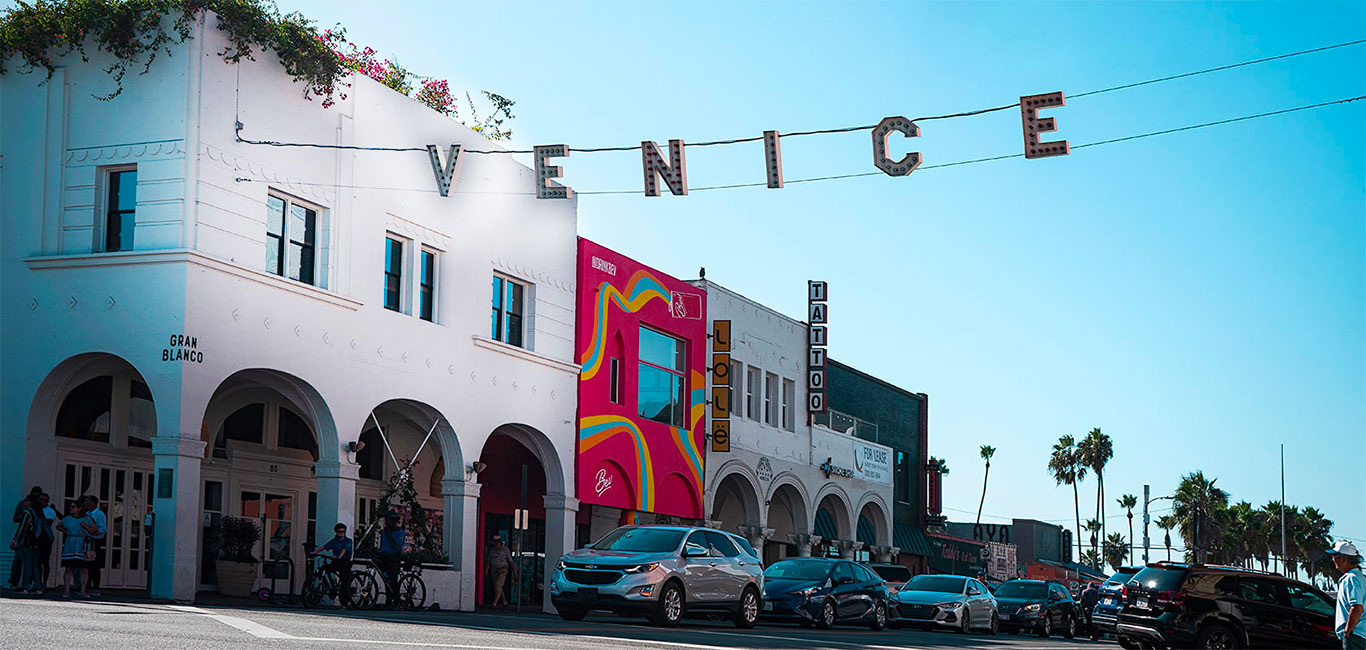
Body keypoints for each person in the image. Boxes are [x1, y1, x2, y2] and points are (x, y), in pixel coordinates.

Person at [1328, 540, 1365, 650]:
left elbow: (1357, 607)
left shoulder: (1350, 579)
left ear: (1344, 559)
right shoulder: (1361, 578)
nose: (1333, 559)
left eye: (1335, 556)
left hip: (1355, 635)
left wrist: (1347, 631)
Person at [57, 500, 97, 598]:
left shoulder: (87, 519)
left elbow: (95, 531)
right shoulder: (67, 519)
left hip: (81, 544)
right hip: (70, 543)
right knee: (68, 568)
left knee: (84, 569)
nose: (71, 508)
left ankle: (83, 590)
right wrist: (67, 532)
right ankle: (67, 590)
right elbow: (58, 526)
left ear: (79, 508)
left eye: (73, 507)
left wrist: (85, 527)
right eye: (71, 506)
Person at [310, 523, 354, 608]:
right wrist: (314, 552)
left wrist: (338, 557)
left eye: (343, 532)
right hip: (336, 561)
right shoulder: (334, 541)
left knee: (344, 582)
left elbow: (344, 550)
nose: (341, 533)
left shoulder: (348, 541)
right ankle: (325, 586)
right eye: (339, 531)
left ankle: (344, 603)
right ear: (336, 532)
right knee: (322, 569)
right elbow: (324, 547)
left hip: (345, 562)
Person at [6, 486, 42, 589]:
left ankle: (24, 586)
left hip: (26, 541)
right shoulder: (37, 512)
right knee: (34, 565)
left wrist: (16, 538)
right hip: (35, 540)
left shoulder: (27, 512)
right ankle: (37, 586)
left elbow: (22, 527)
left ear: (29, 501)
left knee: (25, 563)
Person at [376, 511, 406, 608]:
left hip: (393, 558)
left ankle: (396, 601)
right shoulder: (385, 531)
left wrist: (389, 535)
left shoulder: (400, 533)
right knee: (386, 579)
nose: (387, 522)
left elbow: (396, 546)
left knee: (393, 580)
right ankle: (388, 600)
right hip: (384, 557)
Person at [82, 495, 107, 596]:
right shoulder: (85, 514)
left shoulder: (99, 514)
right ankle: (86, 586)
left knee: (95, 565)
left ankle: (96, 587)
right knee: (87, 564)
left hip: (95, 541)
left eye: (87, 501)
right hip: (86, 540)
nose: (85, 503)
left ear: (93, 503)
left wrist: (90, 530)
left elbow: (102, 529)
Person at [36, 493, 58, 587]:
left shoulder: (50, 511)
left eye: (44, 500)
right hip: (37, 537)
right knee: (37, 561)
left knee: (45, 561)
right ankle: (37, 581)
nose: (42, 502)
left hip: (46, 538)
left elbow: (47, 524)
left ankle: (44, 582)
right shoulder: (36, 509)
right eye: (40, 499)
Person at [487, 534, 514, 608]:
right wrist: (487, 570)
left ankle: (495, 603)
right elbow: (489, 561)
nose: (495, 544)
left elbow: (510, 561)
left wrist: (514, 570)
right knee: (497, 586)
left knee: (498, 586)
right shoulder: (492, 550)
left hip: (503, 569)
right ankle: (504, 601)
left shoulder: (505, 550)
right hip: (494, 570)